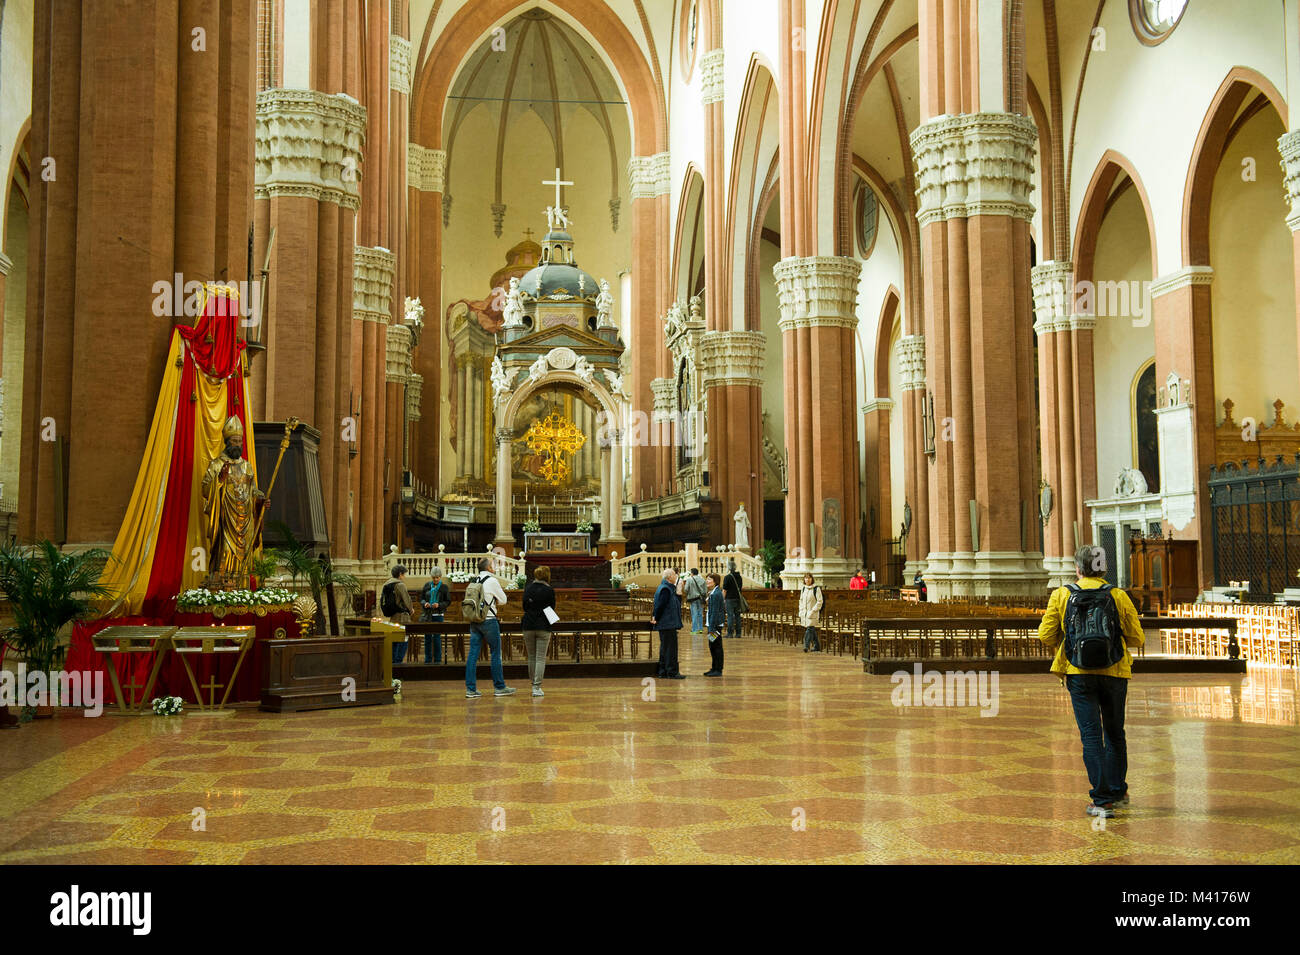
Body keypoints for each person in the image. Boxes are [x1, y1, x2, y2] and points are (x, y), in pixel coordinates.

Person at [1037, 544, 1145, 818]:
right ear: (1104, 568)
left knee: (1091, 736)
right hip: (1115, 673)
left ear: (1078, 568)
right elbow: (1137, 638)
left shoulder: (1062, 595)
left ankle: (1101, 801)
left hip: (1078, 673)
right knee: (1115, 733)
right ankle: (1118, 792)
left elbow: (1045, 635)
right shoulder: (1118, 595)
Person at [466, 557, 514, 699]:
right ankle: (499, 687)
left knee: (473, 655)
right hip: (489, 620)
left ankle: (471, 689)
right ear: (488, 568)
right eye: (492, 566)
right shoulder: (492, 581)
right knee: (495, 653)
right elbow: (504, 600)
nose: (494, 568)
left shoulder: (474, 581)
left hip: (474, 620)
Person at [521, 565, 557, 698]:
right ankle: (537, 687)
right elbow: (552, 608)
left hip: (528, 624)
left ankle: (533, 683)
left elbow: (524, 606)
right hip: (543, 625)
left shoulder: (528, 588)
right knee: (540, 658)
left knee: (531, 656)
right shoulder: (549, 590)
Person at [652, 568, 685, 679]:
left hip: (667, 623)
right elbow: (660, 605)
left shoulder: (666, 587)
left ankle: (663, 671)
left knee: (665, 648)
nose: (676, 576)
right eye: (675, 575)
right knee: (670, 649)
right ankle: (671, 672)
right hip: (668, 623)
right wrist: (655, 617)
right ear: (670, 577)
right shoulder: (666, 589)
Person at [419, 567, 450, 664]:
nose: (435, 579)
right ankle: (427, 659)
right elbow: (422, 599)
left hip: (438, 614)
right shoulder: (427, 586)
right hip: (428, 615)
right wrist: (425, 603)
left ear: (440, 577)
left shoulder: (444, 587)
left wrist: (439, 605)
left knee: (437, 637)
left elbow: (448, 601)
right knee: (427, 637)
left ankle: (437, 659)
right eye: (433, 578)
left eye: (437, 577)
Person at [383, 565, 413, 665]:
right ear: (400, 574)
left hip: (393, 616)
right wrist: (411, 609)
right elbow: (406, 599)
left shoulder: (387, 584)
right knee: (404, 639)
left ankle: (392, 662)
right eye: (404, 574)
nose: (404, 577)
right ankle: (398, 662)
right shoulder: (400, 585)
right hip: (402, 616)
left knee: (394, 639)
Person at [703, 573, 725, 676]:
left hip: (715, 626)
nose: (707, 581)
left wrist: (711, 628)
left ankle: (718, 669)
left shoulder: (716, 594)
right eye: (707, 579)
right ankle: (714, 667)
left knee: (716, 646)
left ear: (715, 581)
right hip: (712, 625)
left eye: (709, 579)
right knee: (712, 646)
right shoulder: (713, 592)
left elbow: (715, 612)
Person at [799, 572, 824, 652]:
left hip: (813, 613)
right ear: (804, 579)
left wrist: (813, 610)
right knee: (811, 629)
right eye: (806, 578)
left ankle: (806, 646)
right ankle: (817, 646)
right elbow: (801, 601)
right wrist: (801, 611)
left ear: (812, 579)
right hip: (805, 613)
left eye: (809, 578)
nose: (807, 579)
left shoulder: (816, 589)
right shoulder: (803, 589)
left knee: (809, 628)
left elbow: (820, 601)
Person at [721, 559, 744, 639]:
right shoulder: (739, 577)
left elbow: (724, 590)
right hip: (738, 598)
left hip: (729, 599)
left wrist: (722, 599)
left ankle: (730, 633)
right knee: (737, 616)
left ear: (728, 568)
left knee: (730, 616)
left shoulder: (727, 577)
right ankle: (738, 633)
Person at [683, 568, 707, 634]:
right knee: (700, 614)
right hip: (700, 599)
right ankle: (700, 629)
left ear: (692, 573)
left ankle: (695, 630)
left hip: (693, 599)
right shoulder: (702, 579)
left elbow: (686, 589)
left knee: (694, 614)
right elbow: (705, 590)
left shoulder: (689, 580)